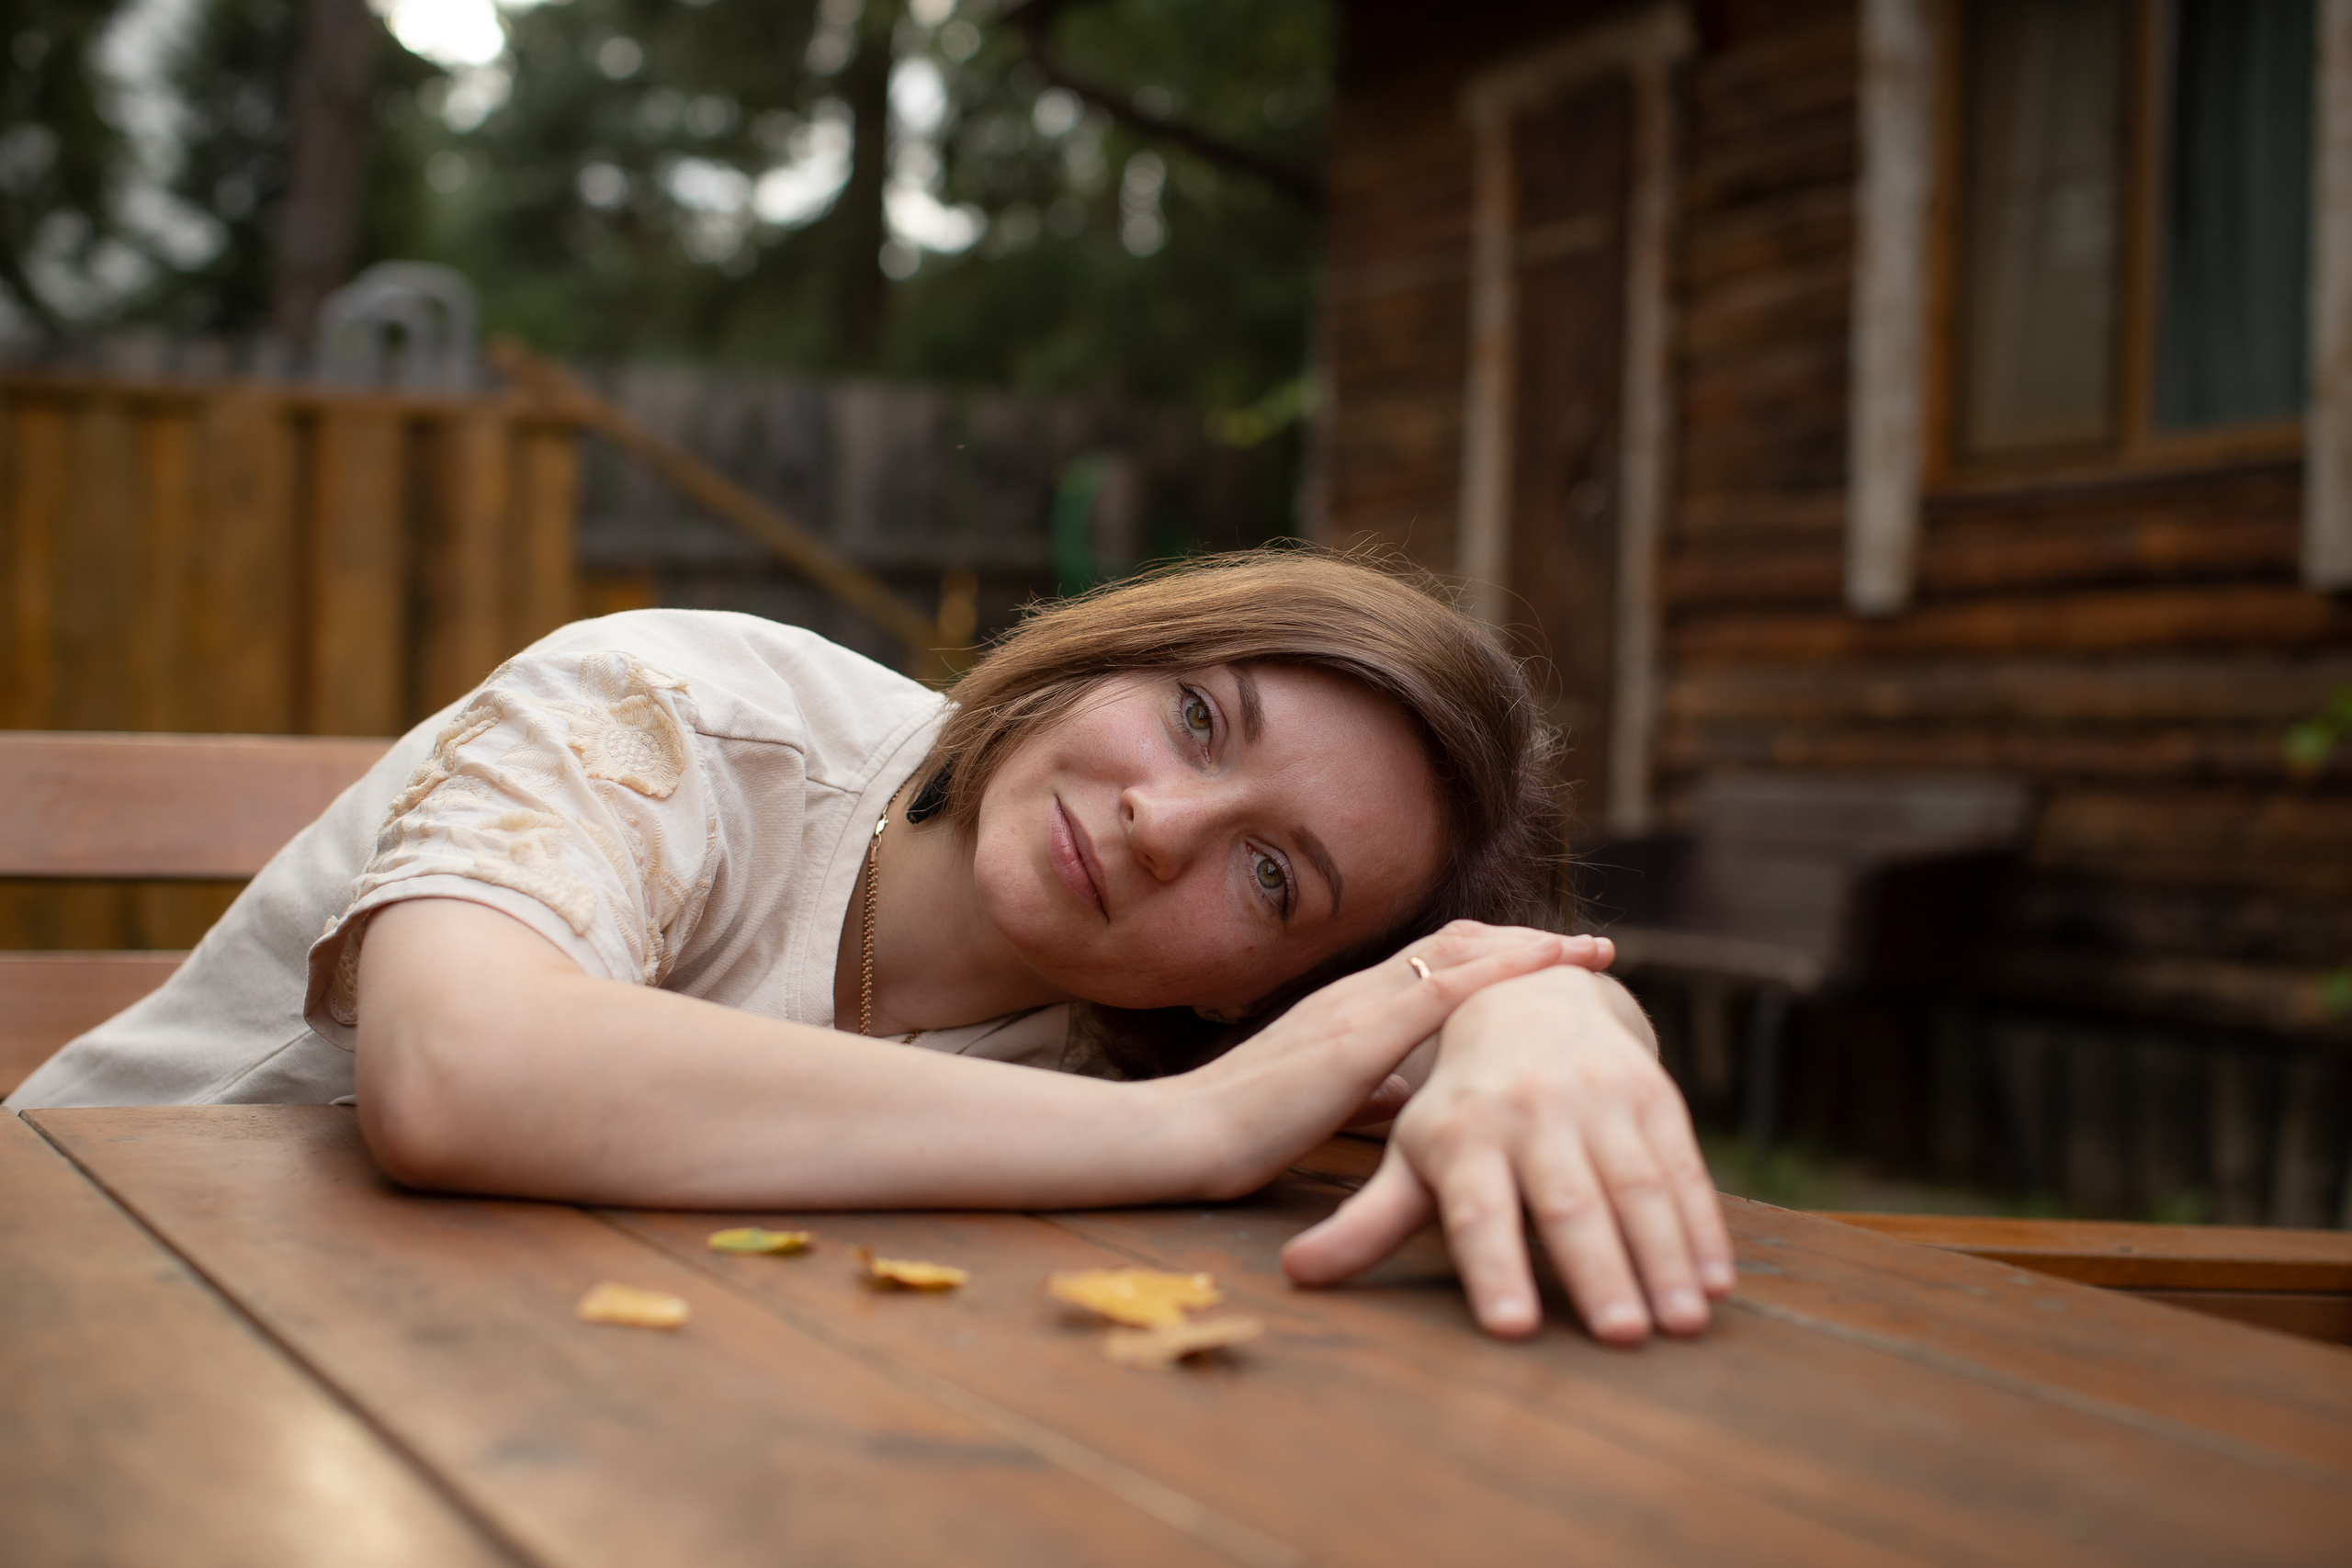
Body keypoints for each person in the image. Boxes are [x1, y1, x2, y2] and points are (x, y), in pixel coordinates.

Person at [8, 548, 1732, 1345]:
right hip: (91, 1307)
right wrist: (1185, 1140)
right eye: (1201, 718)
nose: (1160, 823)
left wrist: (1550, 1028)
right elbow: (461, 1074)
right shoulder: (679, 709)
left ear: (1256, 990)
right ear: (1108, 657)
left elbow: (1466, 1005)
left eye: (1275, 879)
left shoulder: (1137, 1026)